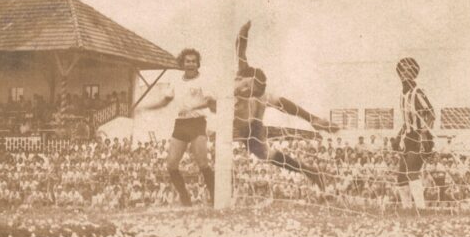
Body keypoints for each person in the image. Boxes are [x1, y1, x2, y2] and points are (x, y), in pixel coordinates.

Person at [234, 21, 337, 192]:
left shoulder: (262, 96)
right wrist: (243, 33)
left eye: (256, 92)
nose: (251, 93)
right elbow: (240, 53)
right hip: (232, 123)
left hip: (252, 126)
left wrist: (312, 119)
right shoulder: (242, 73)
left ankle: (310, 172)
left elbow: (285, 104)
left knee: (264, 154)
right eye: (251, 90)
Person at [141, 48, 216, 206]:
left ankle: (215, 197)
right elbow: (166, 100)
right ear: (182, 63)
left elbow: (211, 103)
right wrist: (148, 107)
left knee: (202, 163)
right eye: (187, 61)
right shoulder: (176, 81)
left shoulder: (204, 80)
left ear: (198, 64)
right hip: (180, 124)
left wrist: (193, 106)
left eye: (193, 61)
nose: (190, 64)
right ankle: (185, 198)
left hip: (197, 123)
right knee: (171, 165)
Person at [391, 57, 435, 211]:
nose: (405, 75)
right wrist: (399, 136)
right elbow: (407, 121)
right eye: (402, 71)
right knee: (401, 176)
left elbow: (431, 114)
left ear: (414, 74)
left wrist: (424, 134)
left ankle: (421, 209)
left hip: (419, 137)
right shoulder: (403, 95)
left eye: (408, 71)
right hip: (408, 137)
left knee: (411, 171)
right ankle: (407, 209)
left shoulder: (417, 92)